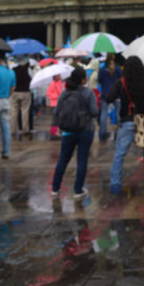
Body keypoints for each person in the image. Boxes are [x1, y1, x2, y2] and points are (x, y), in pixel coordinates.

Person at [105, 56, 144, 194]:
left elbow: (108, 97)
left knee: (119, 154)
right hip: (143, 120)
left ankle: (115, 185)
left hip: (127, 121)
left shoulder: (122, 83)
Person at [50, 68, 97, 199]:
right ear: (83, 80)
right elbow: (94, 111)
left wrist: (58, 126)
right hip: (85, 130)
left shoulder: (65, 93)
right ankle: (78, 190)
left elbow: (56, 111)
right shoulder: (88, 93)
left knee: (63, 159)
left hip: (68, 131)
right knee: (82, 160)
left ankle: (55, 188)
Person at [97, 53, 121, 141]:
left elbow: (99, 81)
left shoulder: (102, 69)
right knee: (119, 115)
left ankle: (102, 134)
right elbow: (121, 81)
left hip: (105, 94)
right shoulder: (118, 69)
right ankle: (119, 134)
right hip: (116, 94)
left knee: (103, 115)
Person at [11, 58, 33, 138]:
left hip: (15, 92)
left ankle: (12, 130)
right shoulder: (28, 70)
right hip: (26, 92)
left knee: (13, 111)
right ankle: (25, 129)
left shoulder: (13, 70)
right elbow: (32, 80)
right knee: (25, 111)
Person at [47, 73, 65, 140]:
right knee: (55, 120)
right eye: (58, 75)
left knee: (59, 119)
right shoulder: (52, 83)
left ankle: (57, 132)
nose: (59, 76)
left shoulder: (61, 83)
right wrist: (56, 96)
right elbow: (48, 93)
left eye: (59, 75)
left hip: (60, 104)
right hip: (54, 103)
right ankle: (53, 134)